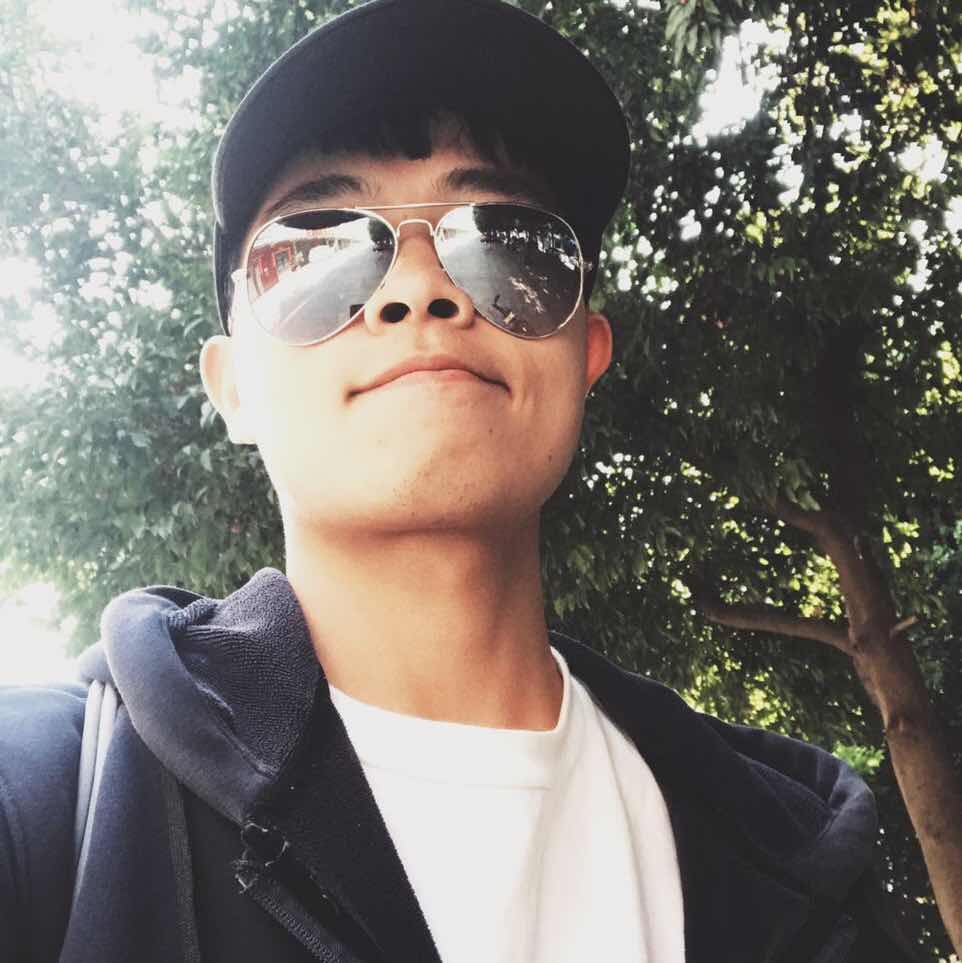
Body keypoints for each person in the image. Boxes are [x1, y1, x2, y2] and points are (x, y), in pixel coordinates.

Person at [0, 1, 921, 961]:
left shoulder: (794, 863)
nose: (419, 287)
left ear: (585, 353)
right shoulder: (50, 806)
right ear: (232, 387)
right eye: (317, 250)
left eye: (506, 242)